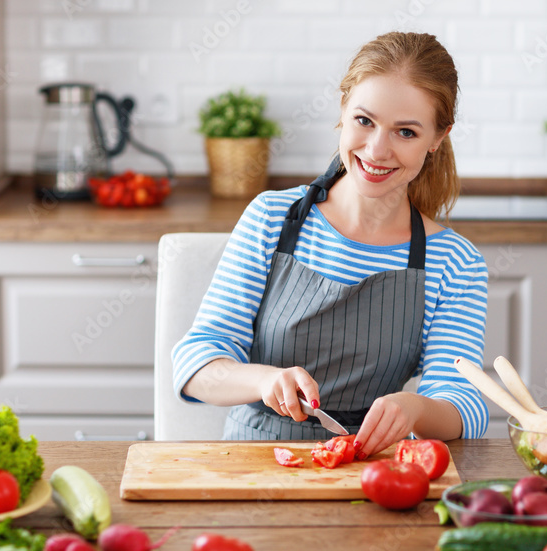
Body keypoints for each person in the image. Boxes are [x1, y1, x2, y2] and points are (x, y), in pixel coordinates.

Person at [172, 32, 489, 458]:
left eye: (406, 132)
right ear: (343, 109)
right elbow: (195, 363)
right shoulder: (273, 219)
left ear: (437, 138)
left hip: (370, 470)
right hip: (252, 466)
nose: (377, 149)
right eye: (364, 121)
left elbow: (465, 407)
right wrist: (263, 380)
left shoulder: (454, 262)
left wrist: (413, 409)